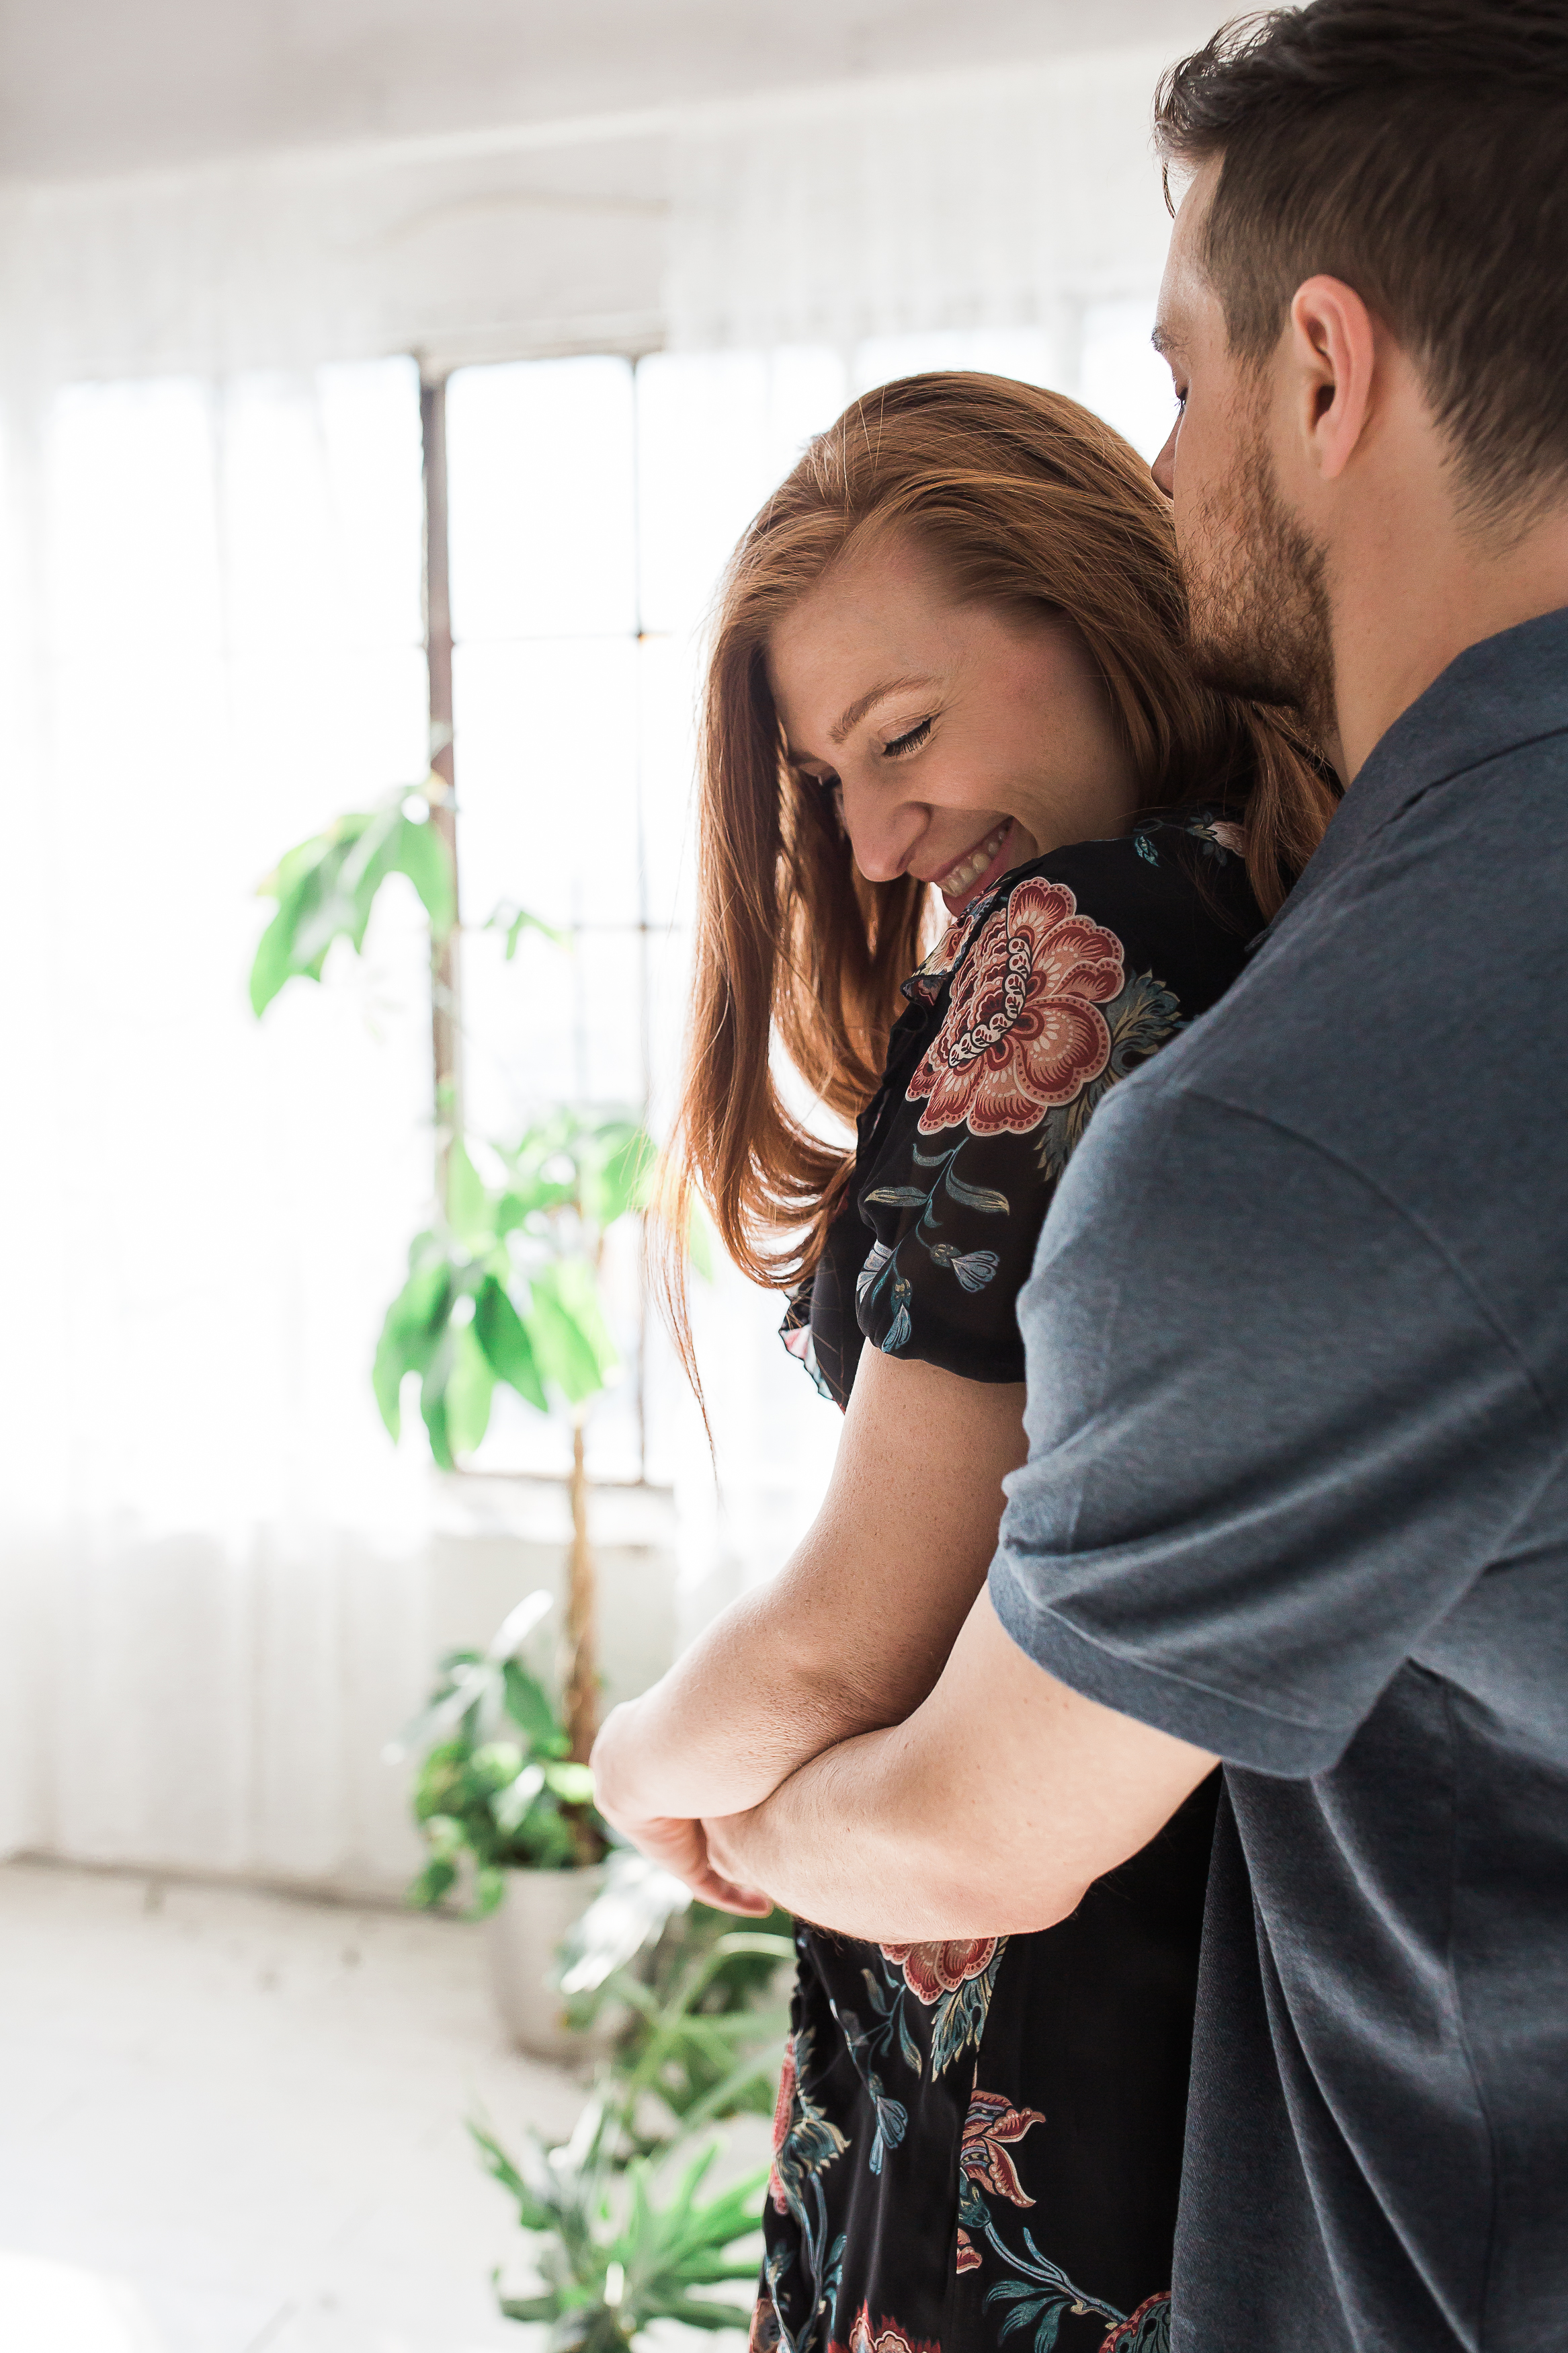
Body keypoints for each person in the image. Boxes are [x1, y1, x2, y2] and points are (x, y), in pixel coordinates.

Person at [692, 6, 1568, 2350]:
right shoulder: (1322, 924)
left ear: (1321, 368)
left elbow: (935, 1748)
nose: (1164, 466)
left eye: (1176, 383)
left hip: (1176, 2086)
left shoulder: (1172, 1009)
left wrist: (687, 1797)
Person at [591, 372, 1334, 2353]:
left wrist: (641, 1767)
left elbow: (855, 1632)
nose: (874, 828)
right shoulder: (1285, 896)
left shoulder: (1078, 941)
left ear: (1100, 601)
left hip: (1026, 1998)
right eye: (830, 780)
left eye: (903, 734)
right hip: (1176, 1981)